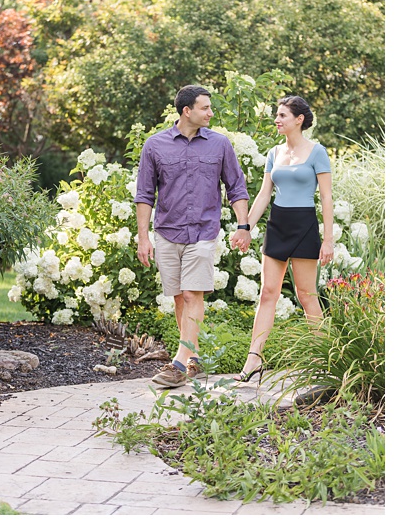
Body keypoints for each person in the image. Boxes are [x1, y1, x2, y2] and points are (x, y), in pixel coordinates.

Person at [134, 85, 252, 388]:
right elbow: (145, 195)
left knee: (191, 294)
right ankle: (193, 359)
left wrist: (243, 225)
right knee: (178, 299)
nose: (211, 113)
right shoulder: (155, 145)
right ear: (187, 111)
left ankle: (178, 364)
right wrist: (143, 237)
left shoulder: (220, 145)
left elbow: (236, 187)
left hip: (203, 230)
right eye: (205, 108)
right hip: (167, 232)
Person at [234, 96, 333, 383]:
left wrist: (328, 240)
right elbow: (265, 194)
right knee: (268, 293)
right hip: (277, 224)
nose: (277, 120)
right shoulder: (274, 152)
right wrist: (245, 227)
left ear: (299, 119)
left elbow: (326, 196)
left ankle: (325, 358)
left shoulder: (317, 152)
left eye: (282, 115)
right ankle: (254, 359)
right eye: (277, 115)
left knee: (306, 295)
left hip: (304, 225)